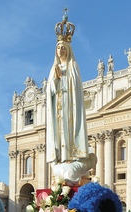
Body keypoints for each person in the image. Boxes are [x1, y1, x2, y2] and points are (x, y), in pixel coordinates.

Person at [46, 23, 88, 164]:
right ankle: (60, 157)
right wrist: (56, 80)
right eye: (58, 47)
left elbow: (76, 88)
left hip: (70, 105)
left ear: (68, 50)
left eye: (63, 47)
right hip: (58, 106)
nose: (60, 50)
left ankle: (70, 156)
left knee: (68, 130)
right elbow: (50, 91)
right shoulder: (54, 69)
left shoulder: (73, 66)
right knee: (59, 132)